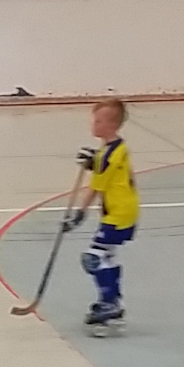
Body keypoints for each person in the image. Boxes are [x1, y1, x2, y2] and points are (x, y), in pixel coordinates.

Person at [72, 96, 138, 329]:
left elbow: (95, 188)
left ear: (112, 125)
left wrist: (79, 214)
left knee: (94, 257)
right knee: (108, 256)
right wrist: (94, 162)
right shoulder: (115, 148)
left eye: (99, 121)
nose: (94, 125)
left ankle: (109, 302)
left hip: (118, 215)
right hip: (124, 211)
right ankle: (113, 301)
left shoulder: (108, 156)